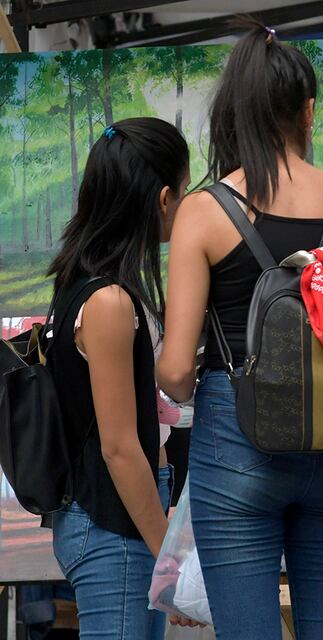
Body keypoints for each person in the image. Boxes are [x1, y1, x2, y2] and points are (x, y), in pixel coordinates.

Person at [156, 20, 323, 640]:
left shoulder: (204, 212)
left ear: (235, 115)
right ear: (308, 112)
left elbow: (177, 370)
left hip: (237, 448)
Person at [46, 118, 191, 639]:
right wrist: (167, 560)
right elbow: (119, 448)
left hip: (120, 518)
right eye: (186, 190)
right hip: (111, 522)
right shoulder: (107, 301)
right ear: (163, 197)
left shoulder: (90, 287)